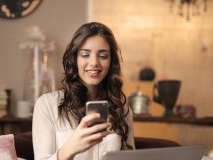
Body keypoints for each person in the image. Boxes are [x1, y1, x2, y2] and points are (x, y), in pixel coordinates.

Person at [32, 22, 135, 160]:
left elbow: (131, 156)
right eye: (85, 54)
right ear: (74, 59)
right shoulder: (47, 105)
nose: (94, 63)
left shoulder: (120, 107)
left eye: (103, 56)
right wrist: (71, 147)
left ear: (111, 62)